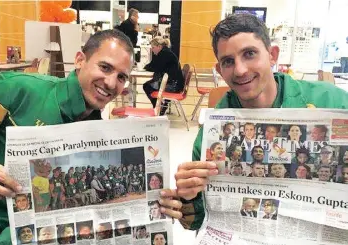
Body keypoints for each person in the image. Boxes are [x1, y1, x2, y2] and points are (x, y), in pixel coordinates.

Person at [174, 13, 348, 231]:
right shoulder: (212, 133)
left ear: (272, 55)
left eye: (249, 54)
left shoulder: (334, 102)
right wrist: (188, 197)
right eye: (228, 61)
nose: (240, 70)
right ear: (219, 70)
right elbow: (200, 221)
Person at [143, 37, 185, 115]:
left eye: (153, 47)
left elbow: (155, 67)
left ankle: (158, 108)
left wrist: (145, 67)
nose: (152, 50)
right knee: (148, 85)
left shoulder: (164, 54)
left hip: (173, 85)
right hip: (174, 83)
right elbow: (153, 65)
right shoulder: (164, 52)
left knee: (147, 86)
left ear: (159, 46)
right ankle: (159, 107)